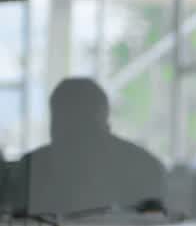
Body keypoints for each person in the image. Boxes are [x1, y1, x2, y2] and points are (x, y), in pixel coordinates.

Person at [4, 77, 166, 216]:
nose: (75, 136)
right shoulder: (31, 170)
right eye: (64, 122)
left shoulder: (142, 169)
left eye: (81, 124)